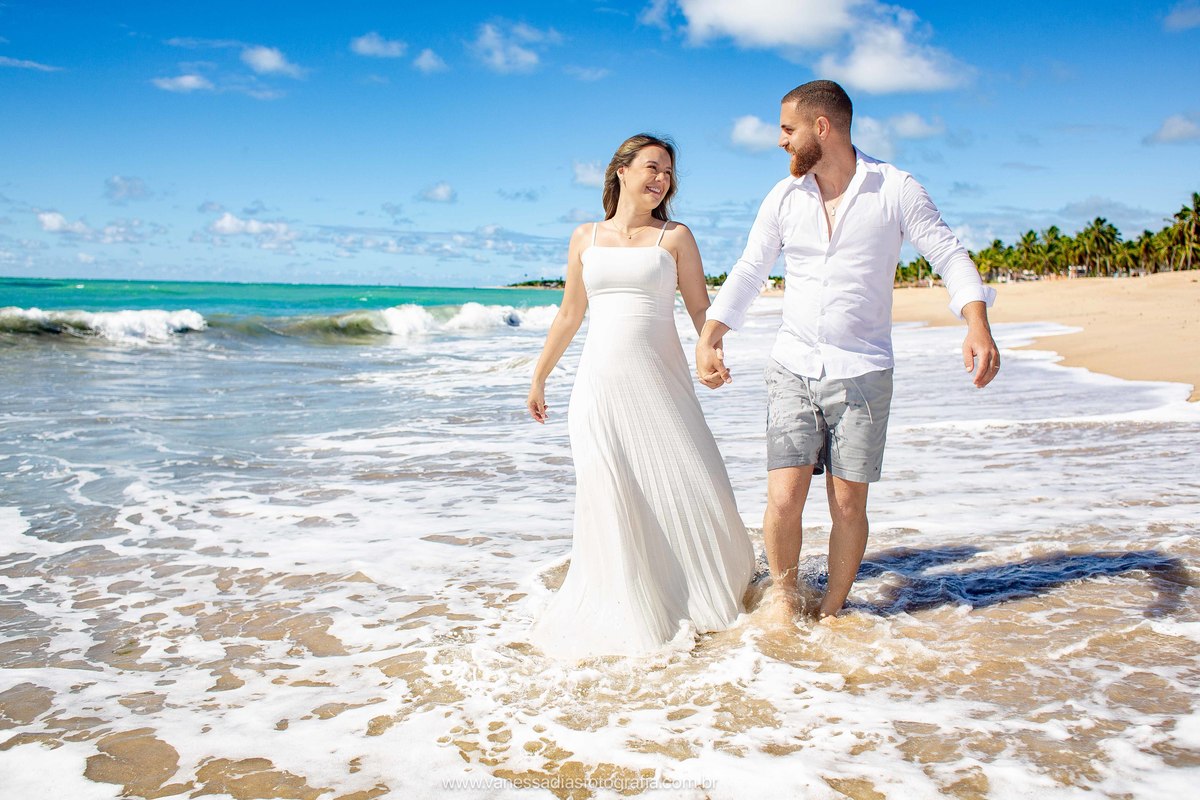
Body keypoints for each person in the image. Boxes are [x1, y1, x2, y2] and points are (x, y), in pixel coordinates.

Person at [696, 80, 999, 622]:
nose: (780, 141)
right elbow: (749, 269)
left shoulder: (896, 188)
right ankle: (785, 601)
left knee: (847, 504)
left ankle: (834, 609)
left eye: (787, 129)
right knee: (784, 497)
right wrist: (711, 333)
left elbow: (949, 254)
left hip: (862, 371)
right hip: (792, 364)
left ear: (822, 127)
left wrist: (976, 323)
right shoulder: (784, 196)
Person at [526, 133, 755, 660]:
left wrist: (712, 350)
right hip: (598, 389)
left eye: (668, 173)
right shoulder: (585, 237)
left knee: (695, 484)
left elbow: (701, 309)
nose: (660, 179)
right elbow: (569, 315)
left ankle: (698, 588)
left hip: (660, 382)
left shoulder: (674, 237)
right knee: (612, 495)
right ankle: (631, 605)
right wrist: (539, 377)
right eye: (652, 167)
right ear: (621, 171)